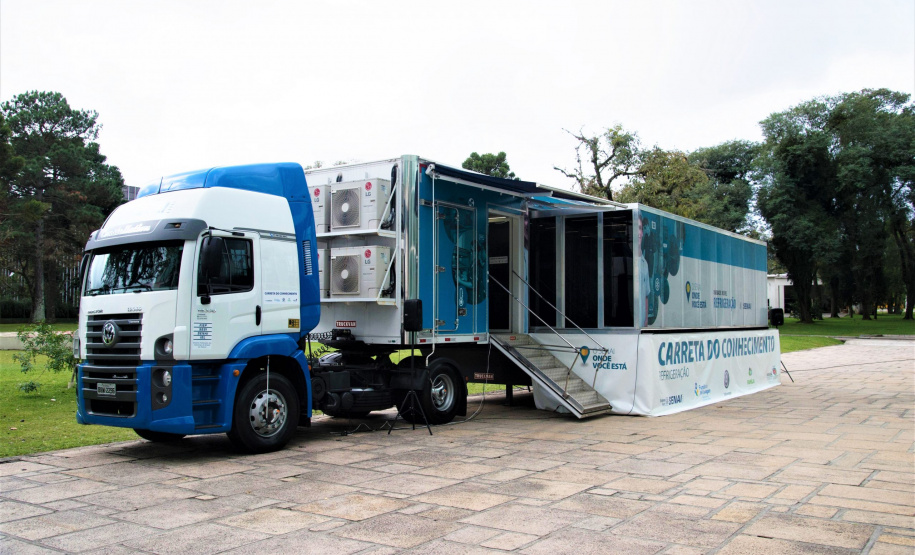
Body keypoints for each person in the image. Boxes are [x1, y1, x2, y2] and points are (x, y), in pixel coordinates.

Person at [638, 217, 650, 326]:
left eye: (640, 228)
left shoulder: (645, 264)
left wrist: (646, 320)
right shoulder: (627, 260)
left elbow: (646, 295)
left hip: (641, 327)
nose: (638, 233)